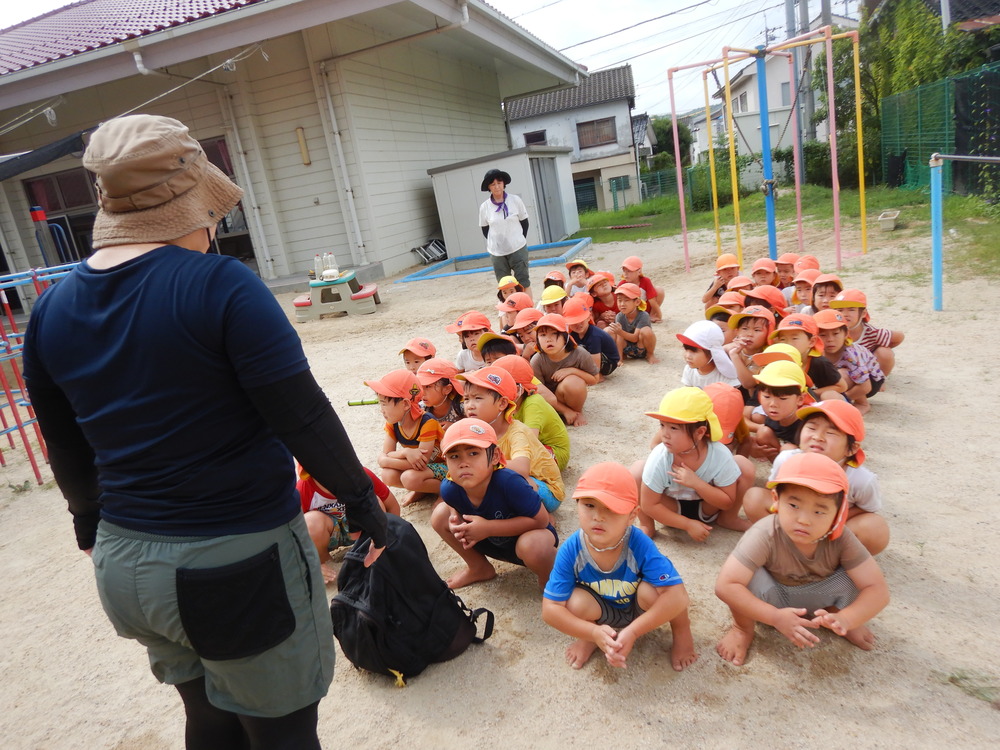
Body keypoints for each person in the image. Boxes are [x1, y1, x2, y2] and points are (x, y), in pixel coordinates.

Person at [22, 114, 387, 749]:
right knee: (282, 735)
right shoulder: (223, 287)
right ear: (193, 200)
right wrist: (362, 501)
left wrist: (89, 525)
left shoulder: (51, 308)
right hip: (233, 565)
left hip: (126, 564)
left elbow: (65, 445)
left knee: (209, 717)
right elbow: (300, 414)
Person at [715, 452, 890, 666]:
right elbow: (725, 585)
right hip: (772, 596)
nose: (804, 520)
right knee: (744, 577)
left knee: (857, 575)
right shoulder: (765, 532)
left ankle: (836, 615)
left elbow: (878, 590)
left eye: (819, 511)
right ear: (776, 501)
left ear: (839, 513)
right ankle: (742, 629)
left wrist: (849, 618)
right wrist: (774, 617)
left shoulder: (842, 537)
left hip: (821, 595)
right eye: (794, 506)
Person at [542, 462, 696, 671]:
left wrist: (633, 631)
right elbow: (550, 610)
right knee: (573, 602)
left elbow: (678, 596)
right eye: (589, 505)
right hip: (600, 608)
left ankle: (682, 630)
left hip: (639, 606)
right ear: (577, 504)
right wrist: (592, 633)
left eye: (611, 509)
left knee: (659, 592)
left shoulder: (639, 543)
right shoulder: (571, 549)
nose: (597, 516)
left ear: (632, 516)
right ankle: (591, 637)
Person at [743, 400, 889, 555]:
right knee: (755, 497)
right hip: (792, 523)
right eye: (811, 428)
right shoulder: (786, 460)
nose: (818, 437)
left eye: (831, 433)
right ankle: (785, 548)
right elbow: (774, 493)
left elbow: (868, 509)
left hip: (834, 532)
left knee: (874, 528)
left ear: (851, 448)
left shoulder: (861, 479)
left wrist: (828, 521)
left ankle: (829, 557)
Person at [432, 418, 558, 589]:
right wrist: (455, 517)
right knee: (440, 515)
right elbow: (451, 502)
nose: (463, 463)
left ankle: (550, 580)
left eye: (473, 453)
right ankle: (479, 567)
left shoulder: (509, 482)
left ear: (495, 457)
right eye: (454, 456)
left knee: (534, 544)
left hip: (525, 542)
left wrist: (488, 528)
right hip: (487, 541)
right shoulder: (450, 487)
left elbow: (542, 521)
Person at [637, 388, 749, 540]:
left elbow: (727, 502)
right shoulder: (660, 458)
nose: (665, 434)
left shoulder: (719, 455)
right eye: (662, 425)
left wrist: (696, 483)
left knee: (744, 465)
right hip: (671, 510)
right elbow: (649, 505)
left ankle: (728, 519)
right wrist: (687, 524)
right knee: (637, 471)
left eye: (674, 428)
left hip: (708, 509)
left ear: (700, 432)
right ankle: (647, 526)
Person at [458, 366, 564, 513]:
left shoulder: (516, 431)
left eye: (478, 398)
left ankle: (540, 516)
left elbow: (522, 469)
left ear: (502, 404)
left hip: (545, 489)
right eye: (466, 399)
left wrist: (482, 463)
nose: (470, 406)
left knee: (500, 476)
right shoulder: (477, 429)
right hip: (514, 482)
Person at [297, 464, 397, 584]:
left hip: (362, 530)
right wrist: (311, 563)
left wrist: (394, 535)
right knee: (310, 523)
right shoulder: (303, 488)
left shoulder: (360, 475)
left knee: (374, 501)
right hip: (329, 535)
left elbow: (392, 506)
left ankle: (376, 552)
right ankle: (328, 567)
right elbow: (295, 534)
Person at [367, 368, 445, 506]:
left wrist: (385, 460)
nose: (381, 409)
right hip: (424, 470)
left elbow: (421, 463)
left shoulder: (427, 422)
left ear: (405, 404)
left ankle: (445, 491)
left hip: (445, 467)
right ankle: (422, 489)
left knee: (409, 478)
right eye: (380, 403)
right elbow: (385, 455)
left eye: (384, 403)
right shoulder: (393, 423)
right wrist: (405, 452)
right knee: (387, 475)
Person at [492, 354, 570, 472]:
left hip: (553, 451)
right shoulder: (509, 403)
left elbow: (529, 441)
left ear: (518, 388)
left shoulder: (533, 403)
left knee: (512, 464)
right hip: (529, 444)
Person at [530, 313, 599, 427]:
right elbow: (539, 392)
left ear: (565, 337)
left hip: (569, 396)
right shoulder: (537, 360)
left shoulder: (580, 354)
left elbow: (595, 379)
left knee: (573, 382)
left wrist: (572, 371)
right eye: (542, 335)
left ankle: (577, 411)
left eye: (555, 334)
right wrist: (565, 410)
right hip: (549, 402)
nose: (549, 339)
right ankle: (566, 412)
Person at [814, 309, 885, 415]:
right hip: (846, 381)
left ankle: (862, 404)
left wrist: (845, 398)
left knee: (841, 374)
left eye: (836, 333)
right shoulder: (816, 351)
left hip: (871, 380)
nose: (830, 339)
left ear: (846, 333)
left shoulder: (851, 354)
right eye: (823, 335)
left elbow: (866, 386)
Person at [479, 169, 531, 298]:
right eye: (493, 184)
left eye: (499, 182)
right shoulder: (484, 207)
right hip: (497, 252)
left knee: (523, 281)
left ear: (504, 184)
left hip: (518, 248)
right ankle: (510, 311)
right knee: (505, 285)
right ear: (489, 188)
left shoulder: (515, 200)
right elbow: (485, 230)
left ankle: (528, 310)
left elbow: (524, 223)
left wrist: (516, 239)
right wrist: (498, 242)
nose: (497, 186)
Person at [829, 289, 904, 377]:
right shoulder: (831, 331)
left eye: (851, 310)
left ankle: (880, 379)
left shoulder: (871, 332)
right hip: (842, 368)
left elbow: (899, 336)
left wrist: (875, 352)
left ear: (863, 313)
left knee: (885, 353)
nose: (845, 314)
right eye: (840, 310)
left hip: (866, 368)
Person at [750, 360, 808, 459]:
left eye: (782, 398)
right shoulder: (772, 418)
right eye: (767, 397)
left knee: (788, 449)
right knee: (763, 432)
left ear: (800, 399)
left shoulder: (806, 425)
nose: (773, 404)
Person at [563, 295, 620, 381]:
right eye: (574, 322)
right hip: (594, 356)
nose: (578, 325)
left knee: (582, 352)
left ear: (589, 317)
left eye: (581, 320)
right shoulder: (573, 333)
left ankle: (598, 375)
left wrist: (594, 375)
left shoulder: (594, 335)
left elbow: (596, 358)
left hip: (608, 363)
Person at [677, 319, 740, 388]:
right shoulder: (689, 370)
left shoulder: (725, 376)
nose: (688, 356)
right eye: (686, 349)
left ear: (712, 353)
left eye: (694, 351)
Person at [607, 282, 658, 364]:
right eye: (619, 300)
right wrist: (619, 359)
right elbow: (620, 338)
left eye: (626, 300)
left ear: (637, 302)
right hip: (627, 349)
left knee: (646, 331)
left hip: (641, 347)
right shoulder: (619, 316)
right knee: (609, 331)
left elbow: (635, 338)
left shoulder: (643, 315)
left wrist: (620, 332)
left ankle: (650, 354)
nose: (622, 304)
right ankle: (621, 356)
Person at [415, 357, 465, 432]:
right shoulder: (420, 409)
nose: (422, 392)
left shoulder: (463, 408)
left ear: (447, 389)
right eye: (420, 386)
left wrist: (456, 427)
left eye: (428, 386)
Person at [620, 255, 664, 322]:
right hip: (630, 311)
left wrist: (659, 315)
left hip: (645, 309)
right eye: (624, 271)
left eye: (629, 271)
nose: (625, 274)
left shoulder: (645, 281)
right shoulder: (622, 284)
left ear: (639, 271)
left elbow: (652, 300)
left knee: (659, 290)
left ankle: (651, 315)